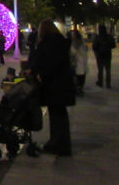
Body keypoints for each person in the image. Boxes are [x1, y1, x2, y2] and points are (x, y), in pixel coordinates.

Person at [29, 19, 75, 156]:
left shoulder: (48, 43)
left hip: (54, 84)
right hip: (62, 84)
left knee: (57, 115)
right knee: (59, 115)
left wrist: (39, 73)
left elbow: (47, 62)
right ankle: (59, 142)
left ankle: (59, 144)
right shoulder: (60, 41)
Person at [92, 24, 116, 88]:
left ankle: (100, 82)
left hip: (100, 56)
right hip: (108, 55)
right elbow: (113, 45)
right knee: (108, 70)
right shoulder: (109, 37)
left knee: (100, 70)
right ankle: (108, 84)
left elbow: (94, 46)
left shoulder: (98, 37)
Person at [68, 30, 88, 96]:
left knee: (77, 76)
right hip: (81, 62)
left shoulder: (74, 43)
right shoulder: (82, 42)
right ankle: (79, 88)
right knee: (81, 76)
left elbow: (73, 52)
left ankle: (78, 88)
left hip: (77, 62)